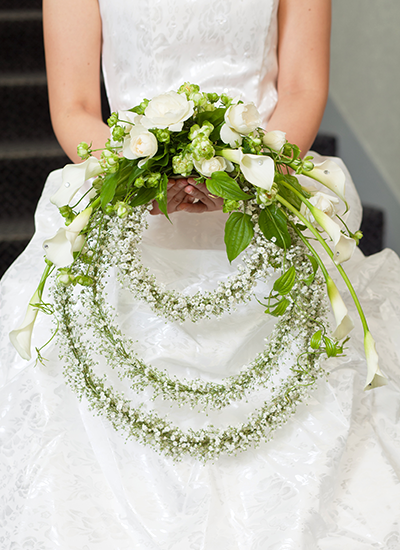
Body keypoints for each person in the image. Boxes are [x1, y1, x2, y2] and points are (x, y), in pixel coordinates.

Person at [1, 0, 400, 548]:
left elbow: (302, 87)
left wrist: (249, 174)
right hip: (132, 194)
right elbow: (75, 106)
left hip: (263, 187)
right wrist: (139, 176)